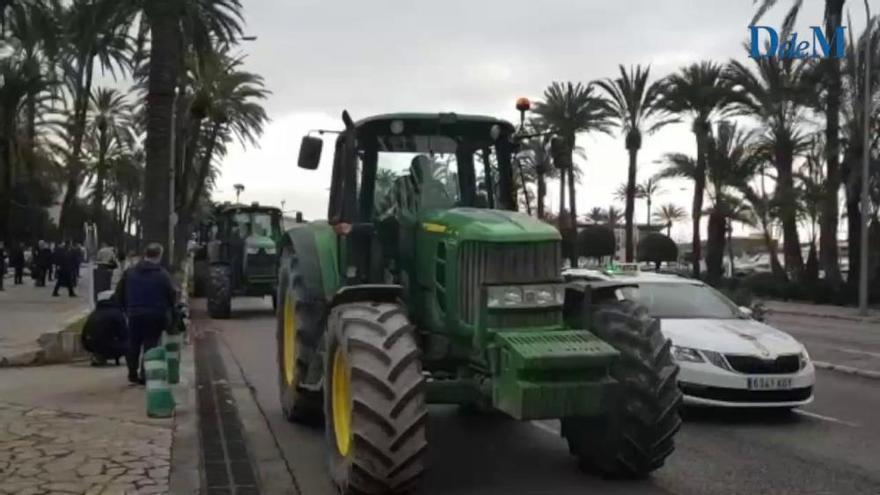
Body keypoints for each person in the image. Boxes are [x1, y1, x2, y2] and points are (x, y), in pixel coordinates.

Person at [115, 243, 177, 385]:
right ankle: (145, 374)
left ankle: (132, 372)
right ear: (159, 255)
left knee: (133, 343)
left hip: (134, 314)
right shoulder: (162, 274)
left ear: (145, 254)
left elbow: (119, 293)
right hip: (155, 315)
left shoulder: (130, 272)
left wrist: (126, 309)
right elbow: (171, 295)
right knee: (150, 344)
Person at [81, 290, 128, 366]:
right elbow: (123, 333)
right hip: (108, 345)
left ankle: (99, 355)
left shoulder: (94, 313)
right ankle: (106, 355)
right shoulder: (116, 313)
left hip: (89, 344)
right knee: (130, 342)